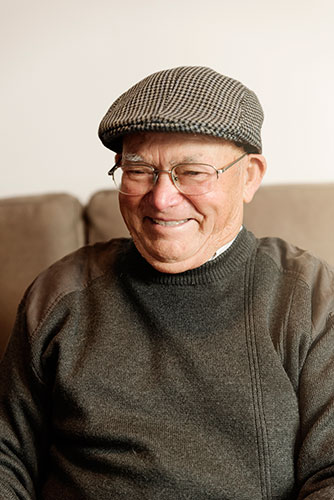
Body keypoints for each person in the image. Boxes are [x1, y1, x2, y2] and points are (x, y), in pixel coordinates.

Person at [0, 66, 333, 499]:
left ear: (249, 176)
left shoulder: (305, 294)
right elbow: (7, 456)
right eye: (138, 170)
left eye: (192, 172)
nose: (161, 198)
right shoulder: (61, 292)